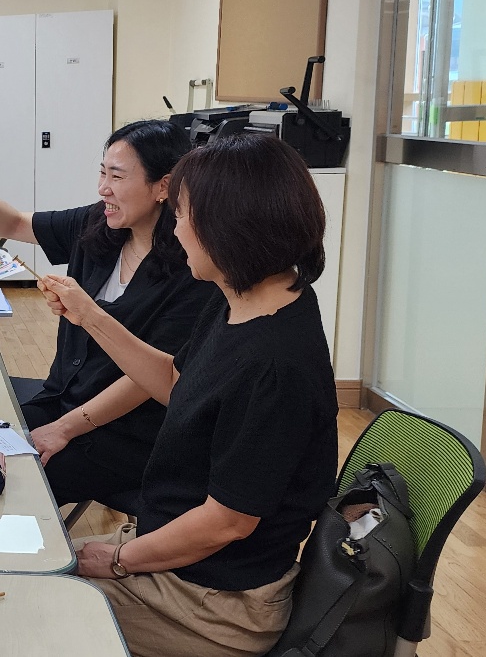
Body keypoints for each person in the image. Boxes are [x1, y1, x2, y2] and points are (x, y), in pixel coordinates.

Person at [41, 133, 337, 657]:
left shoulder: (272, 366)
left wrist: (119, 560)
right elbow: (176, 382)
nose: (175, 231)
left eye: (182, 216)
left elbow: (228, 521)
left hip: (215, 604)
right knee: (22, 567)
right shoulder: (244, 297)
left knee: (26, 609)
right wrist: (89, 315)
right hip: (174, 558)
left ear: (229, 227)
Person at [0, 120, 216, 507]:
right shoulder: (98, 223)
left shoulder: (193, 270)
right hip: (62, 400)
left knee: (2, 481)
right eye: (103, 173)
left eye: (117, 176)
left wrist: (64, 429)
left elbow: (153, 378)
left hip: (125, 433)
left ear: (163, 187)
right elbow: (15, 223)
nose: (103, 188)